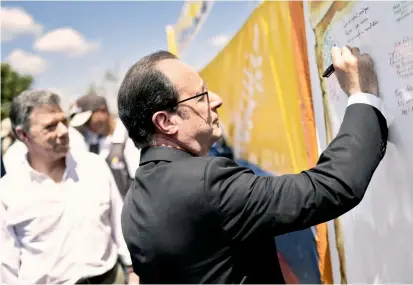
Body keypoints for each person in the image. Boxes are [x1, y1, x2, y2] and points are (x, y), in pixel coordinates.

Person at [118, 47, 388, 283]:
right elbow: (327, 189)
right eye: (200, 96)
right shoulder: (206, 182)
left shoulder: (133, 201)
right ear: (166, 122)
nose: (216, 100)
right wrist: (361, 96)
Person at [0, 90, 139, 284]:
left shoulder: (94, 167)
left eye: (63, 121)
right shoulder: (8, 193)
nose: (64, 131)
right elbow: (7, 267)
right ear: (23, 134)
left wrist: (133, 270)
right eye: (50, 126)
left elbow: (119, 223)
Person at [69, 93, 140, 199]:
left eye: (88, 120)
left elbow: (140, 180)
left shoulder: (129, 136)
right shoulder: (92, 144)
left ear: (103, 110)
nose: (86, 126)